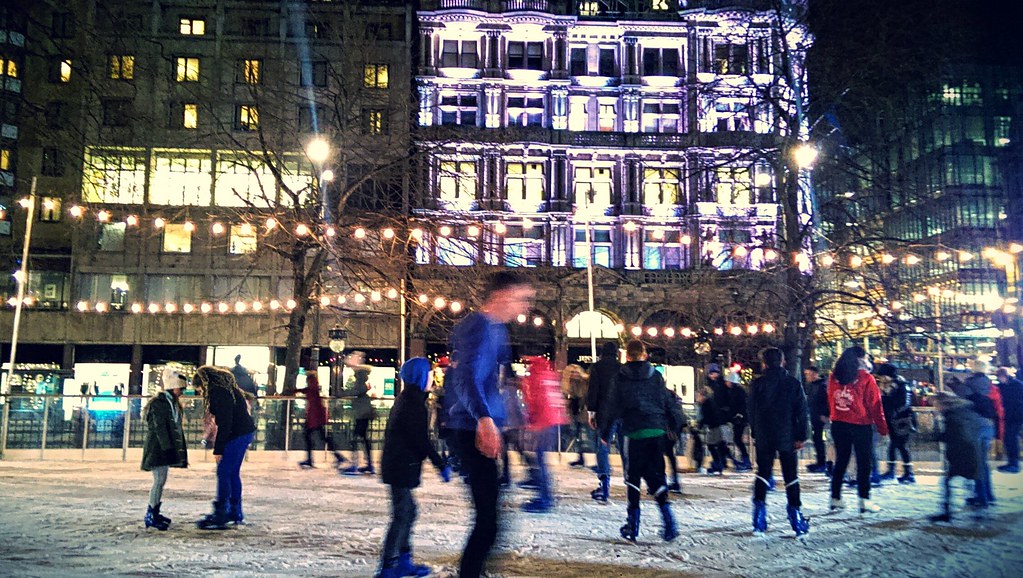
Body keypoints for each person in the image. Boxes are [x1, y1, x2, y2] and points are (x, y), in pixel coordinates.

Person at [446, 271, 534, 578]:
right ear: (499, 296)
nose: (524, 306)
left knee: (491, 517)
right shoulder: (480, 326)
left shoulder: (495, 330)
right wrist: (484, 419)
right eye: (520, 298)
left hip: (479, 426)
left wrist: (508, 421)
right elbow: (465, 377)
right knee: (488, 520)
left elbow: (492, 382)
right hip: (470, 428)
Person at [376, 358, 451, 578]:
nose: (432, 378)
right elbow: (421, 439)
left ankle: (402, 560)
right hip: (399, 466)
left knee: (408, 513)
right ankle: (389, 567)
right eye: (428, 375)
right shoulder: (412, 403)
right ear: (419, 377)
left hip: (399, 465)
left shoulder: (411, 399)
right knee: (402, 516)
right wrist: (440, 464)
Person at [606, 340, 683, 542]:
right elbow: (667, 401)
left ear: (627, 356)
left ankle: (633, 524)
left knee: (633, 478)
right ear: (644, 355)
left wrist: (605, 432)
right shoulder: (656, 376)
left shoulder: (620, 377)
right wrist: (675, 424)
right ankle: (669, 521)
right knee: (656, 477)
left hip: (633, 432)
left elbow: (613, 406)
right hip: (656, 431)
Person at [747, 348, 810, 536]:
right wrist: (801, 436)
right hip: (787, 435)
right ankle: (795, 516)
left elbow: (750, 410)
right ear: (782, 361)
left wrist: (756, 431)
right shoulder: (792, 383)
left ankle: (758, 516)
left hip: (765, 435)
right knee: (791, 475)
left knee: (763, 473)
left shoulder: (757, 384)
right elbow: (801, 411)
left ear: (764, 363)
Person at [194, 365, 256, 529]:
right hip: (244, 432)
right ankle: (235, 511)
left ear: (205, 383)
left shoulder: (218, 393)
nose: (200, 393)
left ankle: (221, 512)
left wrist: (219, 449)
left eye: (199, 389)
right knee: (232, 473)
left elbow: (225, 422)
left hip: (237, 434)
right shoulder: (227, 389)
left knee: (223, 471)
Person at [827, 346, 888, 514]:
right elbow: (875, 404)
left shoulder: (834, 377)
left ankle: (835, 497)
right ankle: (864, 499)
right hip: (860, 424)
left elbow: (830, 399)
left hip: (839, 423)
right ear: (861, 359)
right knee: (864, 463)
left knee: (841, 461)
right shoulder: (866, 378)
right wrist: (882, 427)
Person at [141, 367, 189, 531]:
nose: (181, 391)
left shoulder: (170, 403)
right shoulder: (159, 403)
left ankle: (154, 512)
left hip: (163, 448)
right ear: (171, 387)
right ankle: (151, 514)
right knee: (159, 481)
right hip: (158, 449)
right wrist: (167, 448)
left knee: (161, 482)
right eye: (180, 388)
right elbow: (159, 427)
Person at [520, 356, 568, 513]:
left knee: (540, 459)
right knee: (540, 458)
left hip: (544, 422)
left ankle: (545, 498)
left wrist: (532, 421)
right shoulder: (549, 374)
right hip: (554, 421)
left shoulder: (535, 376)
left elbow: (536, 401)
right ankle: (543, 491)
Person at [952, 359, 1001, 508]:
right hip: (988, 425)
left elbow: (962, 397)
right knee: (983, 463)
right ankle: (988, 495)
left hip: (975, 425)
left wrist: (955, 384)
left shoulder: (970, 383)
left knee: (977, 464)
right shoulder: (988, 383)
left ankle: (982, 498)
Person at [929, 392, 984, 523]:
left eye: (936, 404)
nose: (936, 407)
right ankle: (977, 512)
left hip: (961, 455)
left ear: (942, 403)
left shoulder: (952, 416)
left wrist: (936, 429)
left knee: (949, 481)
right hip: (972, 453)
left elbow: (950, 435)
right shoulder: (966, 412)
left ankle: (947, 513)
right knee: (968, 482)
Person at [586, 341, 622, 503]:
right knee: (625, 449)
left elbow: (593, 391)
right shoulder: (622, 368)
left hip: (604, 414)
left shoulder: (598, 368)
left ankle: (604, 484)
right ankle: (631, 482)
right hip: (622, 414)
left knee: (603, 448)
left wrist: (591, 412)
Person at [295, 373, 346, 470]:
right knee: (321, 437)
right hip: (315, 418)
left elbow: (309, 393)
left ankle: (312, 459)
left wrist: (297, 390)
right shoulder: (313, 388)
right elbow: (308, 391)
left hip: (314, 418)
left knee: (313, 437)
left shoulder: (312, 389)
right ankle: (337, 456)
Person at [875, 363, 916, 484]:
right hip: (892, 420)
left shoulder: (901, 385)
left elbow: (903, 403)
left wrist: (892, 409)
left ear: (888, 375)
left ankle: (908, 473)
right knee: (893, 445)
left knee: (901, 445)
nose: (881, 379)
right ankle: (893, 471)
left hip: (902, 420)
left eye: (883, 376)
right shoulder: (886, 386)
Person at [339, 351, 376, 475]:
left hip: (362, 412)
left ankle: (355, 464)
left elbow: (358, 390)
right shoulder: (362, 377)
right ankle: (368, 464)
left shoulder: (360, 377)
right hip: (364, 412)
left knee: (356, 438)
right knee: (363, 438)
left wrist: (342, 393)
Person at [803, 366, 831, 474]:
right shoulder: (812, 386)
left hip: (820, 416)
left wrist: (824, 413)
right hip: (815, 415)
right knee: (816, 438)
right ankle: (820, 461)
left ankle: (822, 462)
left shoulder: (822, 386)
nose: (807, 377)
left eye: (808, 374)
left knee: (819, 439)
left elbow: (825, 401)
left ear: (815, 374)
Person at [724, 367, 753, 471]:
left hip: (740, 419)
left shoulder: (737, 392)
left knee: (737, 439)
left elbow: (739, 405)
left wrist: (737, 415)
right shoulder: (736, 391)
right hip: (739, 418)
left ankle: (745, 460)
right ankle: (744, 460)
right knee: (737, 439)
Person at [995, 367, 1023, 473]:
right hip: (1009, 416)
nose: (998, 379)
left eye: (999, 377)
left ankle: (1014, 463)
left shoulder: (1017, 385)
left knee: (1011, 439)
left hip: (1015, 416)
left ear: (1004, 376)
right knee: (1008, 439)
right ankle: (1011, 462)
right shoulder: (1009, 385)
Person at [561, 364, 590, 468]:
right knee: (576, 435)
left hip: (584, 412)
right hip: (575, 412)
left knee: (586, 435)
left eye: (576, 373)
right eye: (572, 373)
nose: (574, 375)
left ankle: (598, 459)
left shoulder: (584, 384)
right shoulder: (569, 385)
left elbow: (585, 397)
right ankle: (580, 457)